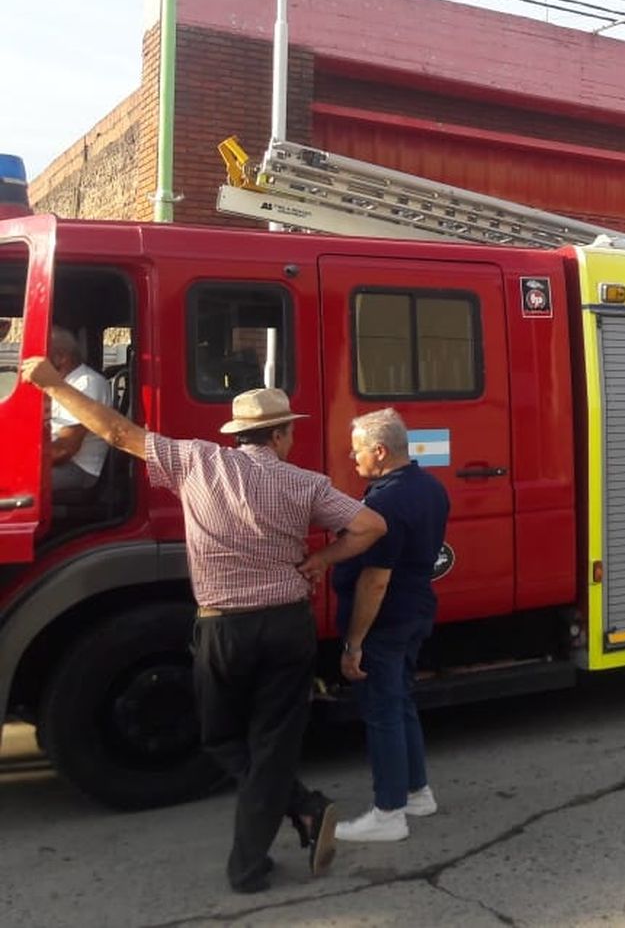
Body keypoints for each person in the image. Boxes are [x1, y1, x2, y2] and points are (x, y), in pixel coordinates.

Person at [18, 358, 388, 894]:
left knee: (218, 739)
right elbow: (370, 525)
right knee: (273, 744)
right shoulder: (306, 483)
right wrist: (323, 560)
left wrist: (52, 384)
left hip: (222, 628)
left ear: (239, 435)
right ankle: (300, 813)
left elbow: (115, 432)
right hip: (286, 625)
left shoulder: (195, 461)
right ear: (284, 434)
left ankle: (258, 856)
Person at [302, 409, 449, 844]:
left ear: (380, 451)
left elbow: (376, 579)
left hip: (385, 620)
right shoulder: (431, 488)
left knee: (382, 711)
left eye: (358, 450)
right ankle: (417, 793)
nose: (353, 458)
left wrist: (354, 644)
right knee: (401, 700)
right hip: (417, 609)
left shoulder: (383, 503)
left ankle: (389, 813)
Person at [45, 327, 111, 493]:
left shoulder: (85, 384)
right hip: (61, 460)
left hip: (78, 468)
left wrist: (22, 463)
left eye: (42, 358)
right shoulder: (64, 384)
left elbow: (64, 450)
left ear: (61, 358)